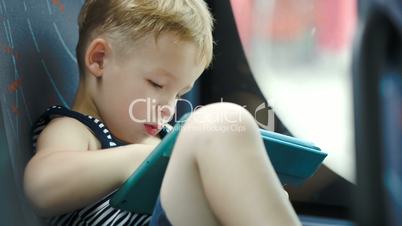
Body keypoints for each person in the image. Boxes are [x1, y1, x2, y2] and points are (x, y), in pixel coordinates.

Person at [23, 0, 301, 225]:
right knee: (217, 122)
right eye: (157, 84)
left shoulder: (165, 136)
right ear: (99, 59)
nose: (169, 107)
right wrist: (141, 158)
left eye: (180, 94)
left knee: (232, 127)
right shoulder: (77, 130)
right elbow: (41, 188)